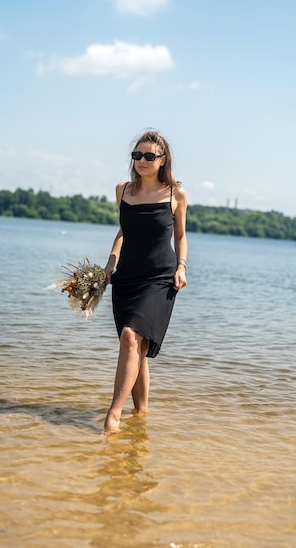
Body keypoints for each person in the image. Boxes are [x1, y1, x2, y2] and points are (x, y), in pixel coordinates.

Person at [103, 129, 188, 432]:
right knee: (137, 351)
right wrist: (111, 262)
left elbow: (180, 236)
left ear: (162, 160)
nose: (142, 160)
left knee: (130, 336)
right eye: (137, 155)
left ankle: (113, 414)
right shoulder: (122, 191)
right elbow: (124, 232)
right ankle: (141, 418)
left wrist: (181, 267)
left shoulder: (175, 194)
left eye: (149, 156)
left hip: (159, 278)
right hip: (126, 277)